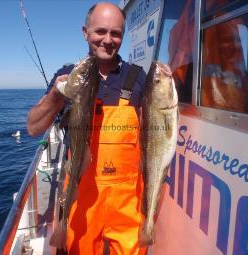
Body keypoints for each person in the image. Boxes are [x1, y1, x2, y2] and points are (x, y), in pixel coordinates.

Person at [27, 2, 151, 254]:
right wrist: (57, 95)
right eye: (100, 31)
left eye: (115, 33)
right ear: (85, 32)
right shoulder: (68, 74)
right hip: (81, 192)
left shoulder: (137, 77)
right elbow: (33, 127)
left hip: (128, 195)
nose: (108, 40)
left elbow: (151, 131)